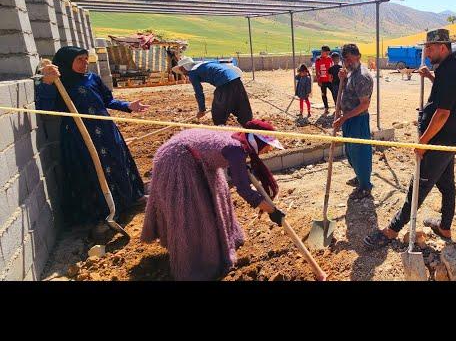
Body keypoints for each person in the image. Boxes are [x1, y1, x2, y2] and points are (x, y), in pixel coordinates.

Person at [141, 119, 285, 281]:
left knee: (217, 197)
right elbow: (245, 191)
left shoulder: (239, 140)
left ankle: (221, 243)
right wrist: (273, 212)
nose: (268, 150)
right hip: (177, 159)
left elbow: (227, 159)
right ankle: (198, 262)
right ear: (258, 142)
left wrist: (240, 168)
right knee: (194, 210)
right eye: (268, 145)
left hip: (194, 156)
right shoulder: (236, 150)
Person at [363, 29, 456, 248]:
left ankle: (391, 230)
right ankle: (445, 226)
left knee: (417, 187)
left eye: (429, 48)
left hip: (438, 142)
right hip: (450, 140)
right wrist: (431, 77)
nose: (427, 53)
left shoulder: (449, 72)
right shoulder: (450, 69)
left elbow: (442, 114)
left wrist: (423, 143)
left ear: (443, 47)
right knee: (447, 184)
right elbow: (447, 95)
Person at [36, 46, 149, 227]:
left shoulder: (92, 78)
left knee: (117, 162)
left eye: (86, 59)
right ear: (66, 62)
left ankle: (130, 199)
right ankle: (103, 214)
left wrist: (128, 105)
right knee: (92, 170)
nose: (85, 63)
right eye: (79, 60)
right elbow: (45, 109)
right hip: (79, 136)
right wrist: (47, 84)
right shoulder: (58, 82)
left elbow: (107, 100)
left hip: (106, 131)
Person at [332, 43, 374, 200]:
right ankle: (360, 177)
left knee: (360, 153)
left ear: (358, 56)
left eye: (349, 59)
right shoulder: (351, 73)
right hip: (349, 119)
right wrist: (342, 78)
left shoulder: (362, 76)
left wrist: (343, 118)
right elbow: (347, 91)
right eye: (344, 60)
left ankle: (365, 186)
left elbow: (364, 104)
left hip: (358, 120)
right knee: (351, 152)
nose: (347, 63)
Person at [173, 57, 253, 126]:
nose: (183, 73)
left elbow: (199, 92)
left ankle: (221, 135)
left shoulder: (192, 73)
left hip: (224, 84)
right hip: (236, 80)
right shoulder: (203, 65)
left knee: (218, 114)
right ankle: (251, 130)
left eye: (181, 70)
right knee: (241, 108)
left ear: (184, 68)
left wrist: (202, 109)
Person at [315, 45, 334, 115]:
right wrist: (318, 80)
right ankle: (326, 108)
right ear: (323, 52)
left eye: (328, 53)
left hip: (330, 81)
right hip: (322, 81)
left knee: (334, 93)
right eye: (326, 53)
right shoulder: (318, 60)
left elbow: (333, 68)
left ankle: (337, 107)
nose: (328, 54)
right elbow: (317, 71)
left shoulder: (330, 59)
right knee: (323, 95)